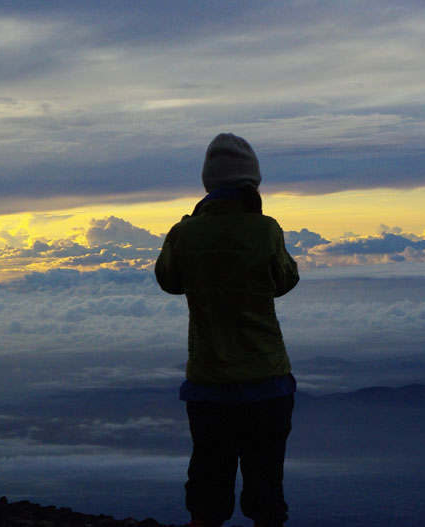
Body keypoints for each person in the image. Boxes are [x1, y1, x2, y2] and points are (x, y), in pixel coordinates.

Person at [155, 133, 299, 527]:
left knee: (208, 484)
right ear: (251, 183)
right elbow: (285, 281)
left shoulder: (185, 233)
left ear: (208, 183)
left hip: (209, 383)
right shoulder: (266, 229)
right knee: (266, 486)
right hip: (267, 380)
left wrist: (189, 228)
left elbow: (168, 280)